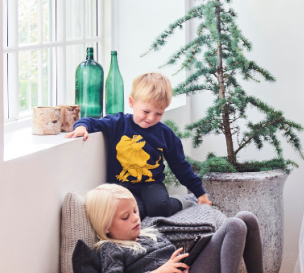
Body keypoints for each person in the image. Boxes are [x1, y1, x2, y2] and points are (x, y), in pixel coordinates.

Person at [84, 183, 294, 273]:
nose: (135, 219)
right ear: (106, 226)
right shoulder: (111, 248)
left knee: (246, 218)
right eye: (125, 217)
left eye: (135, 211)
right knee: (234, 225)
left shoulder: (148, 233)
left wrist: (191, 253)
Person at [66, 71, 211, 218]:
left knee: (159, 207)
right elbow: (89, 121)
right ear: (132, 102)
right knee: (135, 213)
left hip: (151, 184)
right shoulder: (117, 123)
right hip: (121, 186)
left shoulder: (165, 134)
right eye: (146, 111)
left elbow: (180, 166)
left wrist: (200, 194)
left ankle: (181, 202)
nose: (151, 118)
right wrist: (81, 128)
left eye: (159, 114)